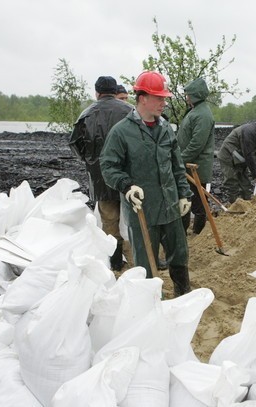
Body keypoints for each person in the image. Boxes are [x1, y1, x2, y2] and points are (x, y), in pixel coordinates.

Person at [100, 70, 193, 297]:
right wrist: (126, 186)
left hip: (169, 205)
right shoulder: (122, 132)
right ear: (143, 98)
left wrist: (183, 194)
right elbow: (109, 166)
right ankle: (151, 303)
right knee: (146, 264)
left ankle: (183, 294)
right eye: (159, 97)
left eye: (164, 98)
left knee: (179, 254)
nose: (163, 102)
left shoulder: (166, 130)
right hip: (143, 209)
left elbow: (177, 166)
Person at [69, 76, 132, 271]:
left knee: (109, 222)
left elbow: (75, 143)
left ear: (97, 92)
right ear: (115, 91)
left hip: (101, 177)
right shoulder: (129, 111)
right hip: (128, 175)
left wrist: (90, 160)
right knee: (132, 220)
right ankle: (136, 262)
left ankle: (115, 262)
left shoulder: (87, 114)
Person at [177, 77, 215, 235]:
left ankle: (197, 234)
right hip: (188, 165)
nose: (186, 98)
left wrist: (179, 159)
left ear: (196, 95)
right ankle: (185, 232)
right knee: (186, 200)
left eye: (189, 95)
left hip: (196, 168)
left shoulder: (203, 115)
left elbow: (196, 145)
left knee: (199, 204)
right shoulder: (195, 111)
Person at [216, 116, 256, 204]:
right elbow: (249, 154)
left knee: (245, 183)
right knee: (232, 182)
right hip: (228, 155)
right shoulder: (250, 131)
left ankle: (247, 204)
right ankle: (235, 207)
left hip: (240, 158)